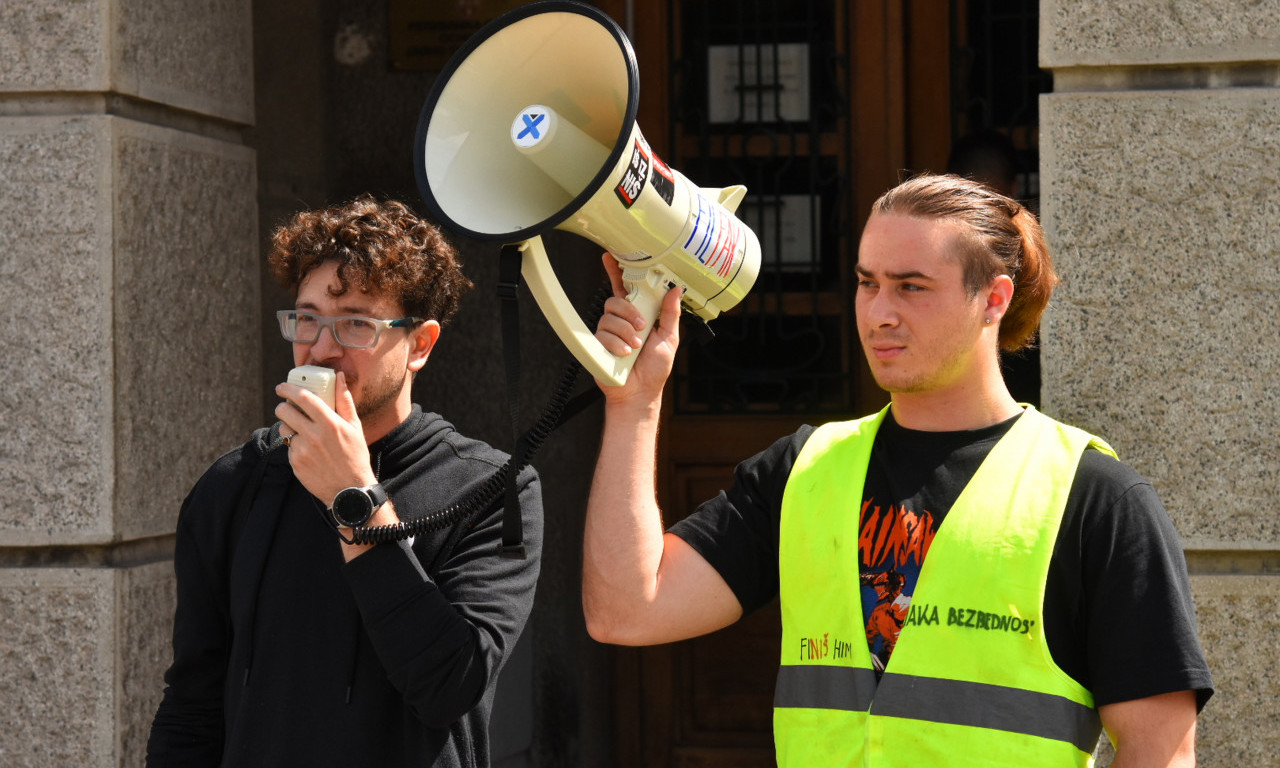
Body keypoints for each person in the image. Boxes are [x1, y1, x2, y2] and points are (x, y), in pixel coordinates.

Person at [582, 173, 1212, 766]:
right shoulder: (804, 469)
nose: (879, 312)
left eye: (911, 287)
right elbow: (626, 611)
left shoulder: (1095, 498)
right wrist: (634, 405)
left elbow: (1162, 752)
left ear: (993, 299)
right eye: (867, 283)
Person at [147, 196, 542, 768]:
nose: (322, 349)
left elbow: (450, 685)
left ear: (421, 345)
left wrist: (353, 496)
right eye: (307, 319)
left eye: (356, 323)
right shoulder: (233, 485)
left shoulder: (491, 488)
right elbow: (192, 705)